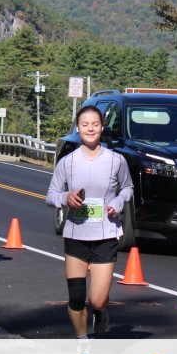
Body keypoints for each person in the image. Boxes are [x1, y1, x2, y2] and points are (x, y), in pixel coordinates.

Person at [46, 104, 133, 339]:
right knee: (76, 297)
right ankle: (82, 341)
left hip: (105, 235)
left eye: (95, 124)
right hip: (76, 235)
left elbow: (128, 188)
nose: (90, 129)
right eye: (85, 125)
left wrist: (118, 202)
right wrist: (66, 197)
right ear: (78, 128)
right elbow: (51, 195)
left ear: (102, 127)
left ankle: (101, 311)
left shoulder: (116, 160)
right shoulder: (67, 162)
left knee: (97, 299)